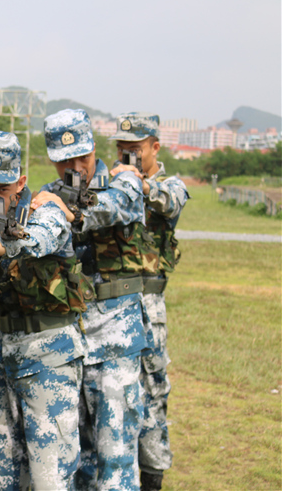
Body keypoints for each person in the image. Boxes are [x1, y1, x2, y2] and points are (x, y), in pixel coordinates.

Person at [0, 131, 90, 490]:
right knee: (0, 469)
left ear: (21, 181)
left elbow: (37, 240)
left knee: (51, 476)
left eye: (3, 187)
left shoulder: (47, 208)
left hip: (50, 355)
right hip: (3, 352)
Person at [42, 109, 149, 490]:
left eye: (81, 157)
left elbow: (105, 210)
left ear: (94, 149)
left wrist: (58, 212)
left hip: (115, 339)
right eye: (64, 160)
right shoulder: (50, 195)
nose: (74, 167)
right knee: (78, 454)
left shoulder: (123, 182)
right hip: (67, 341)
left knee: (115, 454)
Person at [110, 113, 189, 491]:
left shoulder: (169, 185)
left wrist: (135, 184)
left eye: (135, 150)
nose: (127, 157)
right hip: (109, 305)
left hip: (147, 306)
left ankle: (152, 476)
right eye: (121, 149)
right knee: (112, 391)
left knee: (152, 391)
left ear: (155, 147)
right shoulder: (112, 183)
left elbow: (170, 203)